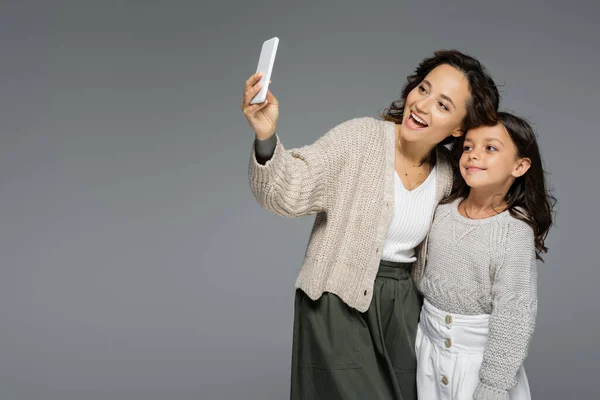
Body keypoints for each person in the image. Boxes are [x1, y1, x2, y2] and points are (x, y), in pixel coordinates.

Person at [241, 50, 499, 400]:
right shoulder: (360, 139)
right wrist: (266, 136)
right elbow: (289, 191)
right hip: (336, 300)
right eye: (423, 89)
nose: (422, 105)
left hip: (405, 309)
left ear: (458, 127)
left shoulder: (449, 176)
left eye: (443, 104)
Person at [414, 112, 556, 400]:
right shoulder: (441, 210)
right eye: (468, 147)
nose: (473, 155)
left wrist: (494, 386)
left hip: (479, 365)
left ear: (520, 165)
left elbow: (515, 314)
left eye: (490, 148)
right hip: (427, 352)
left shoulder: (513, 232)